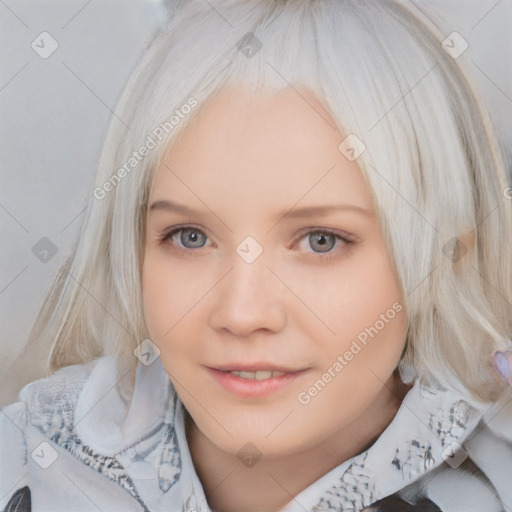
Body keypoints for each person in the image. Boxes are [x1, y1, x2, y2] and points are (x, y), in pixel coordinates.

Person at [1, 1, 511, 511]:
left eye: (320, 241)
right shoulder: (23, 463)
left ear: (444, 260)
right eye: (190, 237)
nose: (242, 314)